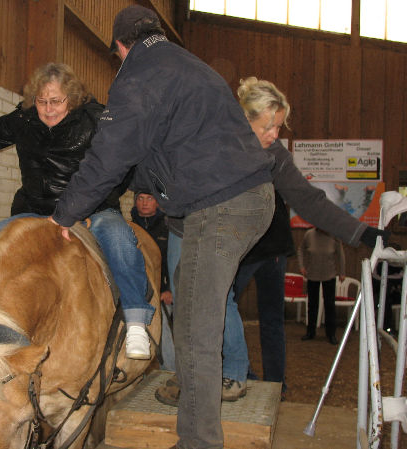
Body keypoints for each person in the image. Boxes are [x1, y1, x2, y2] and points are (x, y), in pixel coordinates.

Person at [50, 6, 276, 449]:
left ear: (120, 47)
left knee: (194, 331)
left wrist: (65, 212)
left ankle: (199, 443)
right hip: (241, 200)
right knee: (193, 314)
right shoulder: (187, 66)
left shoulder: (139, 75)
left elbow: (109, 155)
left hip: (222, 207)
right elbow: (154, 153)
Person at [155, 77, 390, 405]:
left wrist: (362, 232)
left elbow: (309, 199)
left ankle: (234, 374)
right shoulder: (207, 135)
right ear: (244, 120)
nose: (275, 135)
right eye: (268, 127)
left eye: (279, 126)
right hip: (184, 227)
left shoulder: (274, 155)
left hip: (223, 234)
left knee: (218, 298)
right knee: (184, 303)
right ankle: (187, 376)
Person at [0, 62, 154, 360]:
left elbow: (120, 169)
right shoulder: (24, 119)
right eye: (41, 101)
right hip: (36, 210)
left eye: (56, 101)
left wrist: (85, 208)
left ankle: (136, 322)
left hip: (92, 210)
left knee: (120, 239)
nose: (48, 109)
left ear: (72, 98)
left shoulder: (96, 121)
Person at [131, 191, 174, 370]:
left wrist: (168, 288)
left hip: (161, 291)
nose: (144, 203)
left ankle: (170, 370)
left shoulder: (167, 228)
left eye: (149, 198)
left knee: (163, 330)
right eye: (140, 199)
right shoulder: (129, 227)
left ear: (157, 202)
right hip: (135, 289)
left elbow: (171, 261)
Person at [298, 227, 346, 344]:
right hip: (312, 274)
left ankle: (331, 334)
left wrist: (342, 272)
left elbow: (341, 255)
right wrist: (301, 266)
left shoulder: (334, 236)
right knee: (312, 305)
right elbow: (301, 249)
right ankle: (310, 332)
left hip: (329, 274)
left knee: (330, 305)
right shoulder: (309, 234)